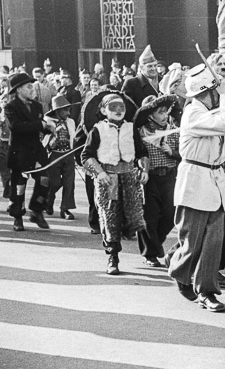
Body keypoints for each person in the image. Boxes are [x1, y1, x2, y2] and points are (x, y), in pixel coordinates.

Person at [168, 64, 225, 311]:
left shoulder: (207, 114)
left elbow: (214, 152)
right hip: (195, 184)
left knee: (213, 243)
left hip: (214, 183)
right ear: (208, 92)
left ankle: (207, 291)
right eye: (215, 91)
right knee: (192, 242)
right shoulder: (193, 113)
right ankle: (179, 271)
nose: (218, 95)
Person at [81, 91, 149, 275]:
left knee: (132, 216)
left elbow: (142, 152)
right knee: (109, 217)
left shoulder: (131, 128)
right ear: (103, 110)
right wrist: (100, 172)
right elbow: (86, 156)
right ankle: (113, 257)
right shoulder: (97, 130)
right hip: (108, 180)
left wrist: (144, 169)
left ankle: (149, 254)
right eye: (113, 107)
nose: (118, 111)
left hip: (129, 178)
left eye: (121, 107)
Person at [134, 94, 181, 268]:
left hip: (169, 176)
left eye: (165, 112)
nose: (164, 116)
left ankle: (156, 243)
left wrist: (172, 152)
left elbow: (185, 154)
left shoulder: (172, 131)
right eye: (160, 112)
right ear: (150, 115)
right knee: (149, 217)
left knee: (170, 215)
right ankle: (150, 254)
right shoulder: (140, 132)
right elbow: (136, 155)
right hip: (150, 178)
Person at [5, 72, 54, 231]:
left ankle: (37, 210)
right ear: (18, 90)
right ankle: (17, 216)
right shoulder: (10, 107)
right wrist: (40, 125)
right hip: (19, 152)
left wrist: (49, 129)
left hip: (36, 151)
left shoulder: (37, 106)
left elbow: (40, 127)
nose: (32, 88)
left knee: (44, 180)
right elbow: (16, 127)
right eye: (28, 86)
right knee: (19, 186)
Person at [44, 94, 79, 220]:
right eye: (65, 110)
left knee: (69, 182)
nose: (68, 113)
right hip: (54, 156)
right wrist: (55, 135)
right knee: (55, 182)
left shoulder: (71, 122)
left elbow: (73, 138)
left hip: (68, 154)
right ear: (57, 111)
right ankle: (49, 199)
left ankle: (65, 208)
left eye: (69, 110)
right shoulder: (48, 123)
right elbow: (46, 142)